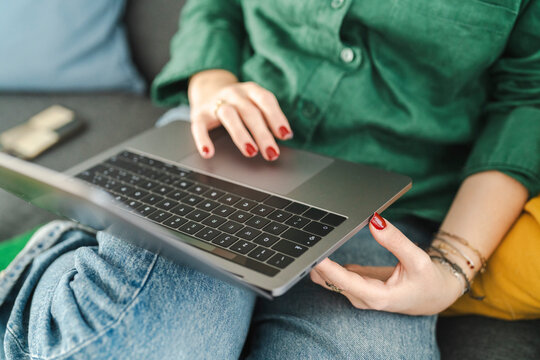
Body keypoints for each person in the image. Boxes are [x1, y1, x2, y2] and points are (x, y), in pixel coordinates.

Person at [1, 0, 539, 359]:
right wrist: (213, 84)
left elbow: (529, 94)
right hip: (228, 146)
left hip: (390, 206)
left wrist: (451, 267)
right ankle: (63, 263)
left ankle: (74, 249)